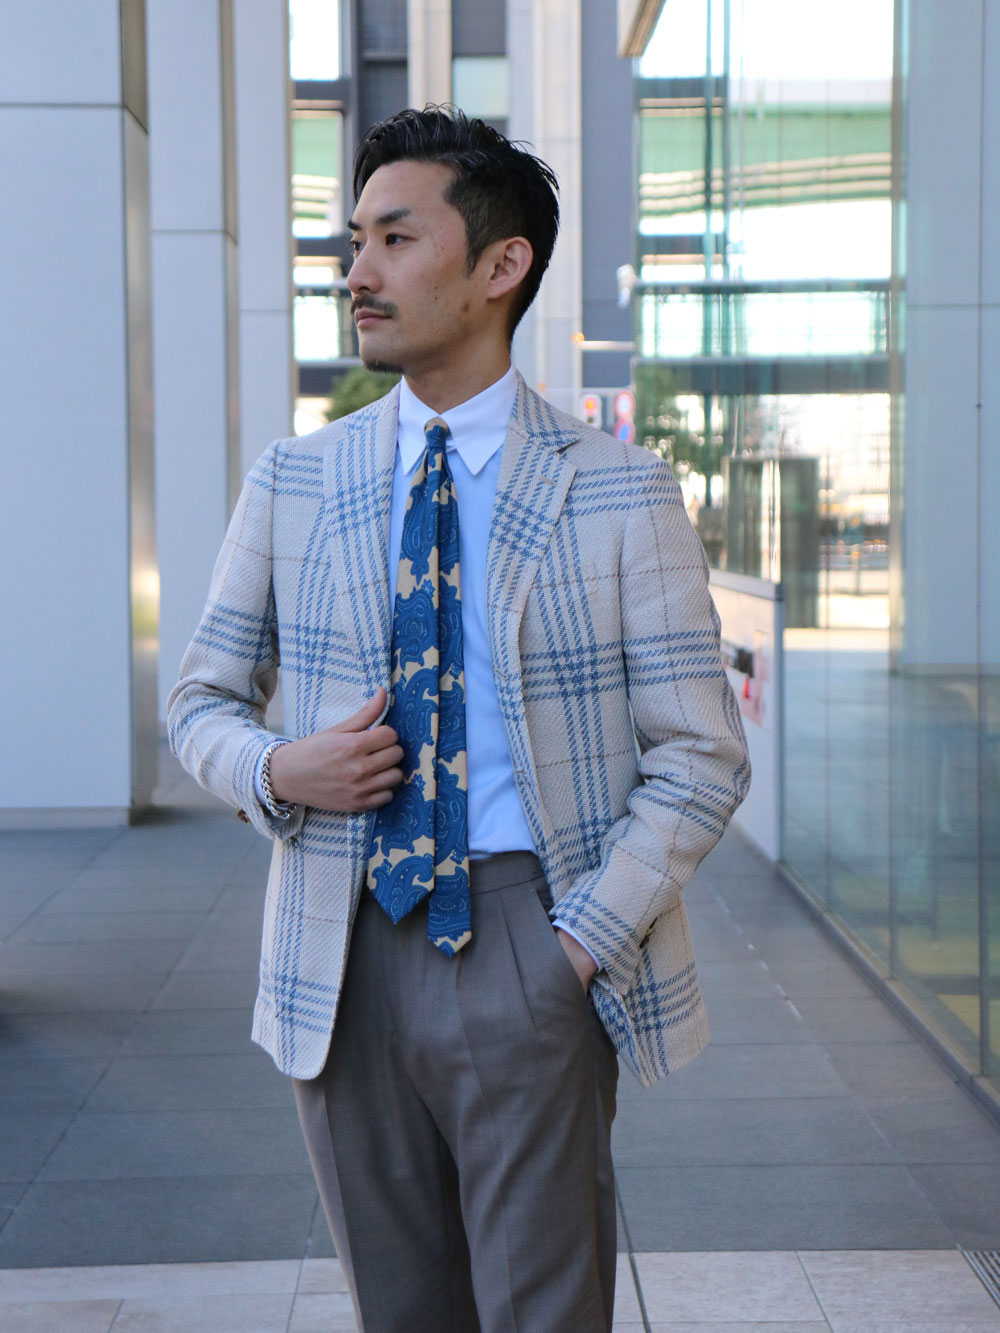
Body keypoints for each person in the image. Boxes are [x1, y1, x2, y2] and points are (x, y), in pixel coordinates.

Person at [168, 106, 750, 1333]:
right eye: (353, 242)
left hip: (525, 935)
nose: (357, 272)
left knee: (544, 1309)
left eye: (395, 238)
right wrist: (278, 766)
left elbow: (701, 755)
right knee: (401, 1312)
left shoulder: (618, 490)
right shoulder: (294, 478)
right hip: (336, 950)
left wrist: (574, 947)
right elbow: (200, 701)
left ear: (500, 266)